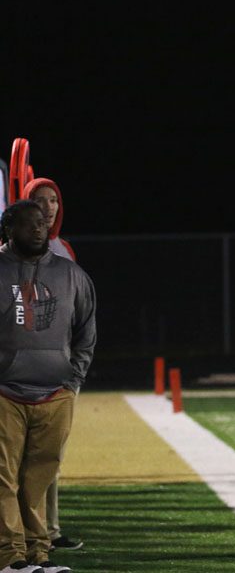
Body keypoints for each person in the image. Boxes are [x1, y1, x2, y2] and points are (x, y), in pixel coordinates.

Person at [0, 199, 96, 573]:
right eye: (29, 223)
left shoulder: (70, 274)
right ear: (9, 229)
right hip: (5, 393)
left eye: (42, 222)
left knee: (38, 478)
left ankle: (38, 554)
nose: (39, 228)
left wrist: (73, 381)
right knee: (3, 478)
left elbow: (86, 330)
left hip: (55, 394)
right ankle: (10, 557)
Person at [22, 178, 81, 552]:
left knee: (50, 453)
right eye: (40, 200)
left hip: (57, 363)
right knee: (14, 456)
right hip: (18, 366)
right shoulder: (9, 251)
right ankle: (17, 535)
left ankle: (49, 530)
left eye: (54, 199)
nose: (49, 207)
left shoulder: (65, 249)